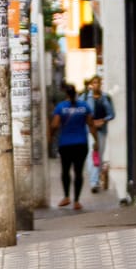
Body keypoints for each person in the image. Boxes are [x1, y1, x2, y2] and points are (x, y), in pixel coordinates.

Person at [52, 83, 93, 211]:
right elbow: (91, 124)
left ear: (66, 93)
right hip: (81, 143)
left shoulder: (61, 107)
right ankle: (76, 201)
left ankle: (66, 197)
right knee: (78, 172)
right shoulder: (84, 106)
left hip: (65, 144)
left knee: (65, 171)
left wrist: (50, 137)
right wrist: (96, 141)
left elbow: (55, 125)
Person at [83, 76, 116, 194]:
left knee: (99, 155)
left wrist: (103, 120)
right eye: (94, 82)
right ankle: (94, 182)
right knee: (92, 154)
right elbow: (82, 111)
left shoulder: (106, 97)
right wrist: (91, 122)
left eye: (98, 82)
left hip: (101, 130)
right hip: (90, 130)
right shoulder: (85, 97)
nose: (96, 85)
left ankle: (96, 178)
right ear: (91, 84)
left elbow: (111, 114)